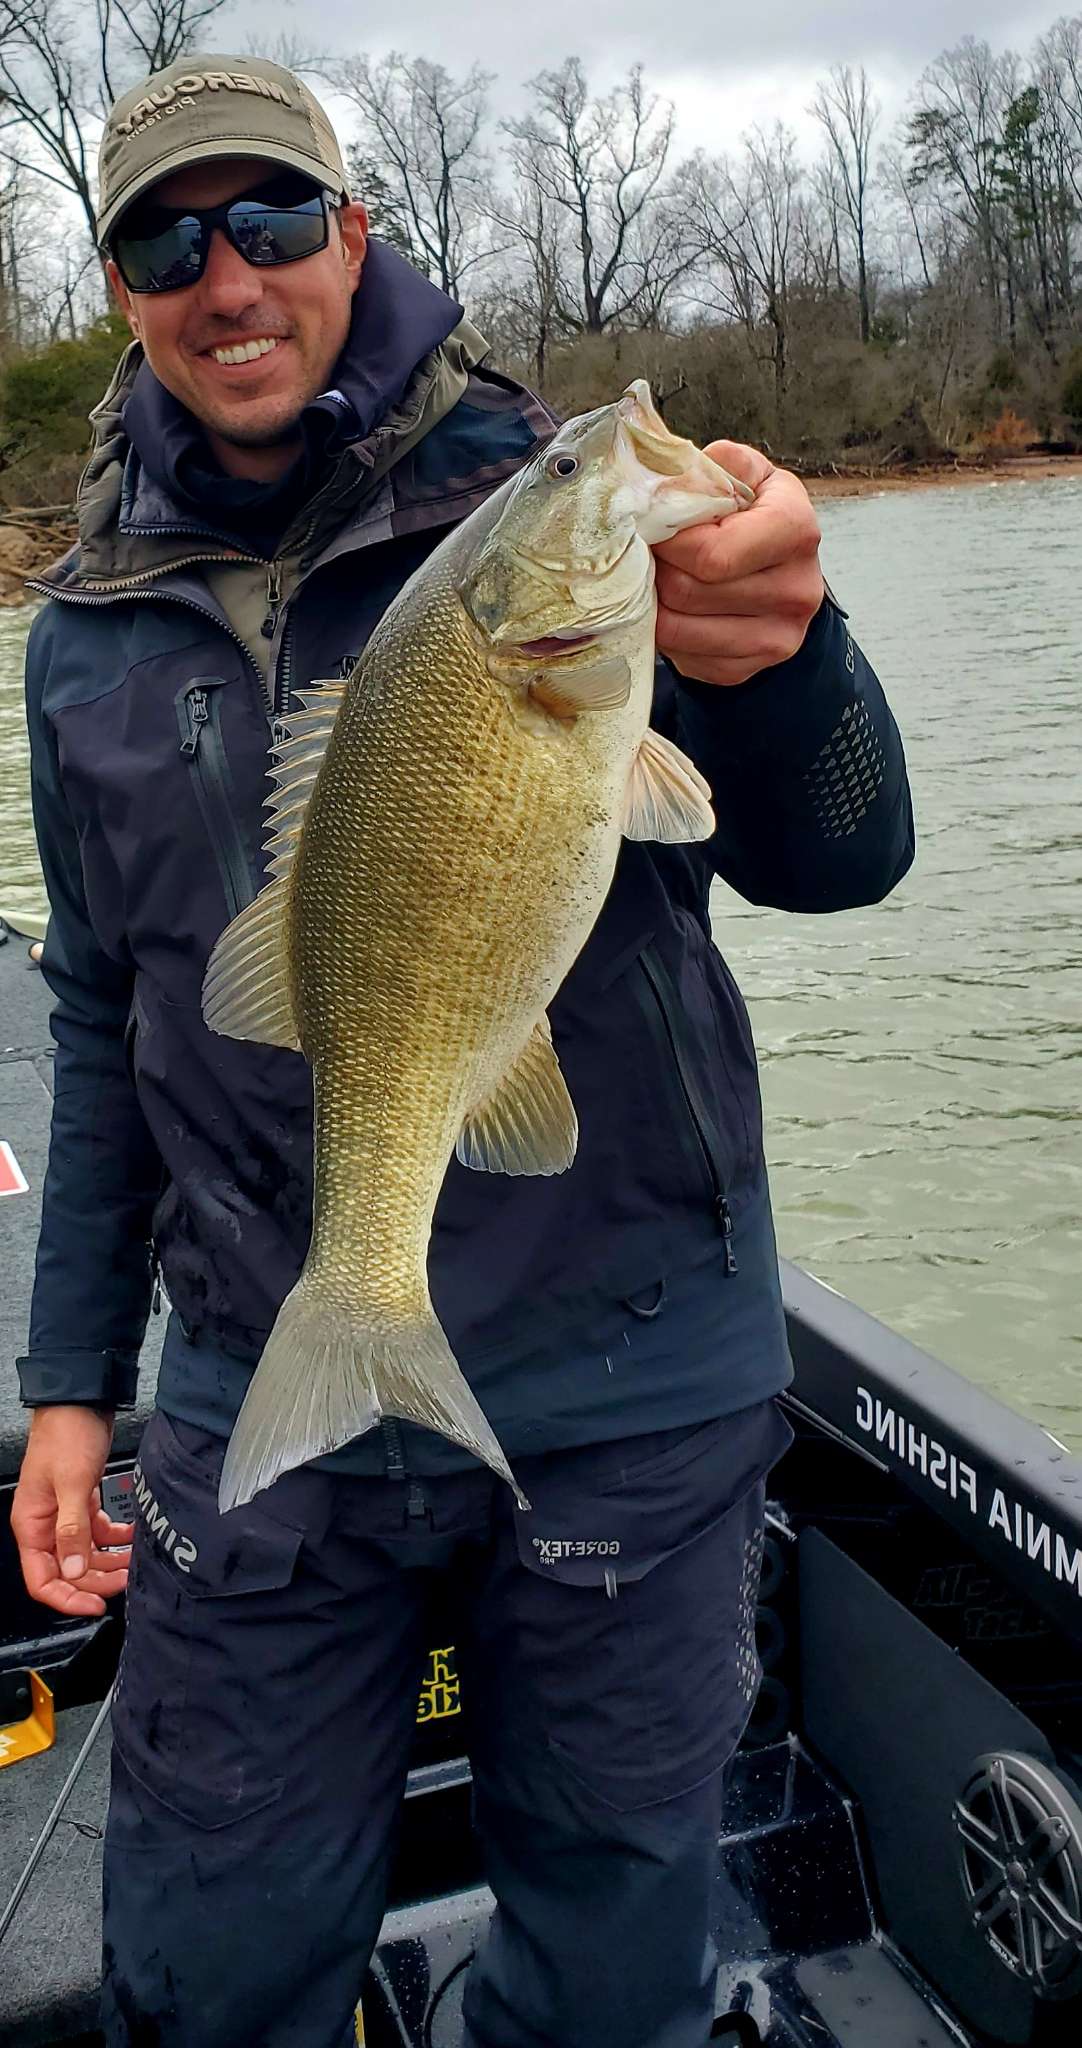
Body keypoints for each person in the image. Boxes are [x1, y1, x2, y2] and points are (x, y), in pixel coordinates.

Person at [10, 53, 914, 2048]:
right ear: (123, 289)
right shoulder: (79, 632)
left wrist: (793, 662)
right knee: (207, 1967)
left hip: (627, 1371)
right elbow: (97, 1013)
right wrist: (69, 1383)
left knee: (612, 1973)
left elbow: (843, 857)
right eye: (166, 243)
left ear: (353, 234)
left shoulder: (556, 514)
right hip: (262, 1361)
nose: (226, 277)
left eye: (268, 220)